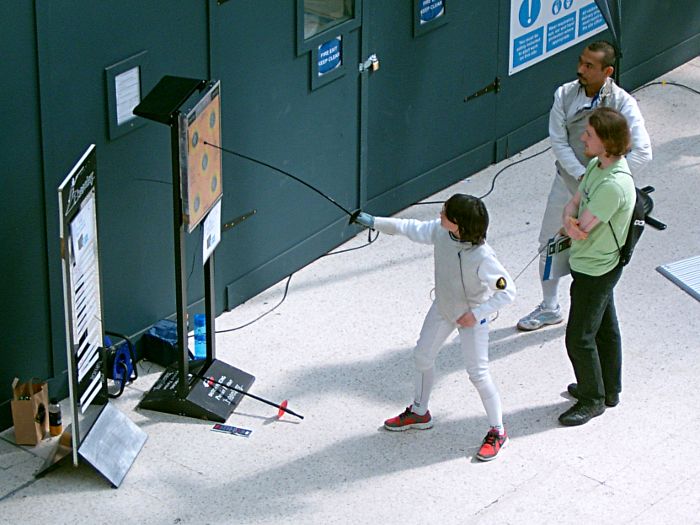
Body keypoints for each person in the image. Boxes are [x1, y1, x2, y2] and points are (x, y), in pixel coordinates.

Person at [353, 194, 516, 461]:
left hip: (471, 317)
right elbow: (408, 227)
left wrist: (476, 313)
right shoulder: (441, 232)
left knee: (478, 373)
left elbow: (508, 292)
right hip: (443, 308)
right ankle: (419, 412)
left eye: (445, 212)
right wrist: (373, 222)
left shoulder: (483, 257)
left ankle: (498, 431)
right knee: (422, 357)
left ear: (459, 223)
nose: (440, 214)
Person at [517, 40, 652, 331]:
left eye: (589, 66)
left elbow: (642, 152)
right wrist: (583, 176)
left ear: (608, 71)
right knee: (551, 244)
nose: (581, 69)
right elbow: (559, 140)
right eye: (581, 62)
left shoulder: (623, 103)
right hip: (569, 181)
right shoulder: (565, 94)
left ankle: (598, 306)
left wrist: (607, 180)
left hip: (605, 198)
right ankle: (550, 307)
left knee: (599, 254)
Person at [557, 107, 635, 426]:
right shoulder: (596, 165)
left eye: (589, 134)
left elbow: (580, 227)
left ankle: (592, 399)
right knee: (604, 326)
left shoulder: (614, 185)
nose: (583, 137)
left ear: (607, 141)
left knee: (579, 337)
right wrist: (568, 220)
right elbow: (573, 205)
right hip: (590, 261)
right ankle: (608, 389)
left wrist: (569, 224)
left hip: (596, 269)